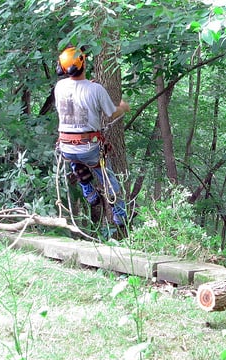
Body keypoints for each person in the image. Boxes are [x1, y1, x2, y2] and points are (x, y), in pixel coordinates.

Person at [54, 46, 131, 232]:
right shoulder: (95, 89)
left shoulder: (60, 87)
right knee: (108, 178)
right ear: (83, 63)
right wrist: (123, 107)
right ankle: (120, 215)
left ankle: (88, 191)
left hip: (66, 146)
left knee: (75, 159)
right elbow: (111, 113)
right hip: (88, 147)